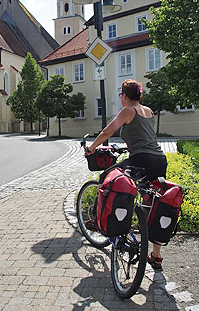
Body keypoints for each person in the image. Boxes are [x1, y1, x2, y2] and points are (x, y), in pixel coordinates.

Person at [85, 79, 168, 271]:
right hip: (159, 159)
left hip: (141, 160)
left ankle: (101, 221)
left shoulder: (127, 111)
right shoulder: (148, 111)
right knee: (153, 203)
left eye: (121, 95)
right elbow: (144, 136)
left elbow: (108, 131)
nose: (120, 98)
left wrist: (91, 148)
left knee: (108, 177)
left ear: (124, 96)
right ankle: (156, 257)